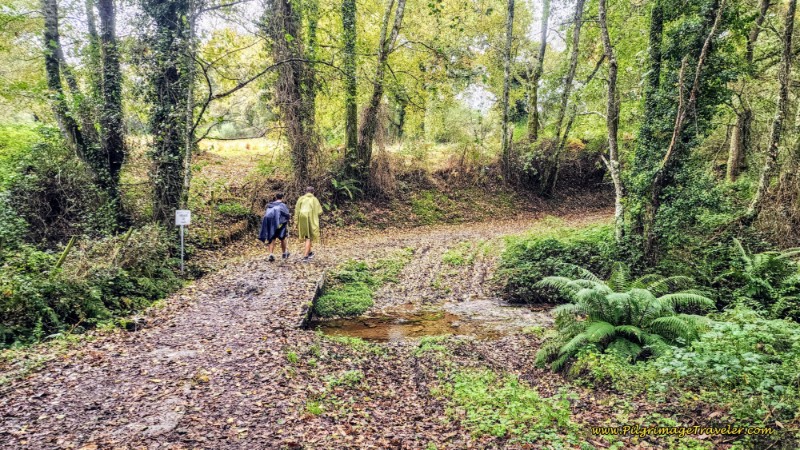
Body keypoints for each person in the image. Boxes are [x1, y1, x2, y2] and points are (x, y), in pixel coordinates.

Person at [258, 193, 291, 262]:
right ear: (282, 198)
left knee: (272, 238)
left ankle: (271, 254)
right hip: (280, 224)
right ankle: (284, 253)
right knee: (282, 238)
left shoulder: (270, 205)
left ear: (276, 198)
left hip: (271, 224)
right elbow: (287, 215)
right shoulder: (283, 205)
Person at [294, 186, 323, 262]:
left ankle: (310, 252)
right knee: (309, 238)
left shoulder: (301, 198)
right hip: (310, 219)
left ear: (306, 191)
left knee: (307, 236)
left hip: (302, 218)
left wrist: (296, 222)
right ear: (313, 192)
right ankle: (305, 256)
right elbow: (320, 211)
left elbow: (297, 210)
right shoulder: (314, 199)